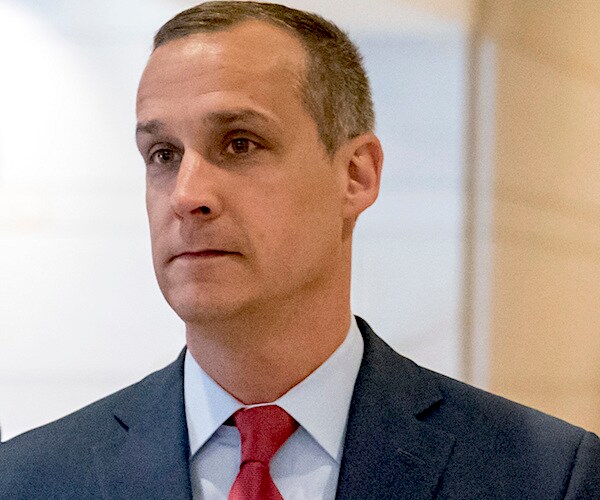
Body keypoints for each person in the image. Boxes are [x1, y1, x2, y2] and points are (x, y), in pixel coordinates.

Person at [1, 2, 599, 498]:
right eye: (163, 154)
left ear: (356, 175)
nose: (187, 195)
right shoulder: (30, 480)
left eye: (240, 143)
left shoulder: (545, 477)